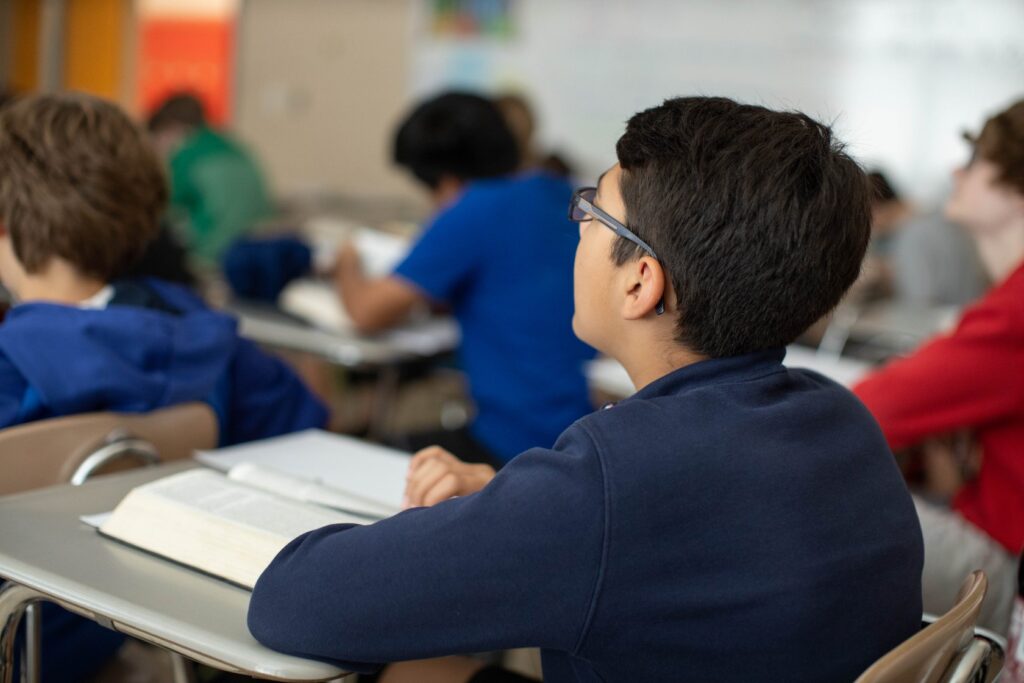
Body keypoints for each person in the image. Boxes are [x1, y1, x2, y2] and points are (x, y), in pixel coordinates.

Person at [248, 97, 924, 683]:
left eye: (591, 213)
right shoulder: (839, 417)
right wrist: (512, 505)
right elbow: (687, 546)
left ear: (641, 283)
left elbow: (291, 603)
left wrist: (546, 511)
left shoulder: (613, 478)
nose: (576, 228)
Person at [0, 92, 327, 682]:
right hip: (135, 617)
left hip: (23, 636)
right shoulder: (206, 336)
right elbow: (306, 428)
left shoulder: (11, 367)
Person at [334, 92, 595, 466]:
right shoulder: (558, 191)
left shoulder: (475, 207)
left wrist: (347, 260)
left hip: (517, 440)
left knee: (365, 455)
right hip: (582, 430)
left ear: (445, 179)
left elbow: (366, 311)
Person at [854, 98, 1024, 634]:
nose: (955, 171)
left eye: (974, 160)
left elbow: (860, 415)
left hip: (1004, 564)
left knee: (812, 505)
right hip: (994, 532)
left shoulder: (1017, 310)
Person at [147, 92, 273, 267]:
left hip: (212, 257)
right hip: (256, 252)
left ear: (172, 129)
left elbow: (159, 210)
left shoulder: (187, 154)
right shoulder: (235, 147)